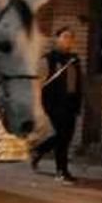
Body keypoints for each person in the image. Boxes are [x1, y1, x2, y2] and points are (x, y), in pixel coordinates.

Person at [30, 26, 83, 184]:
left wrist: (78, 104)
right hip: (53, 105)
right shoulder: (48, 59)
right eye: (65, 36)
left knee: (62, 138)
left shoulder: (74, 60)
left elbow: (77, 84)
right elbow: (37, 83)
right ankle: (62, 172)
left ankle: (38, 151)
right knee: (62, 139)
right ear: (57, 38)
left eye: (71, 37)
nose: (68, 40)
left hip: (70, 105)